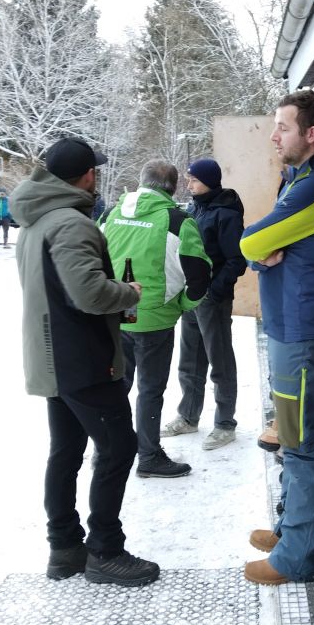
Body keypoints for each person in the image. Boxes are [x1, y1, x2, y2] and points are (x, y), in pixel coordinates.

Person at [9, 136, 160, 587]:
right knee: (118, 448)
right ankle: (105, 551)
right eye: (95, 171)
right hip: (84, 359)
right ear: (88, 175)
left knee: (67, 450)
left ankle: (64, 548)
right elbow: (90, 294)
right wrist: (128, 293)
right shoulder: (71, 224)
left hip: (53, 357)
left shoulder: (35, 220)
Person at [239, 89, 314, 586]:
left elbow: (252, 240)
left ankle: (298, 556)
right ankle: (290, 531)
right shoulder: (297, 179)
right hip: (291, 331)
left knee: (302, 443)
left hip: (301, 338)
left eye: (283, 127)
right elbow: (263, 249)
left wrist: (258, 254)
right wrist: (262, 257)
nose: (273, 136)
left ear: (311, 133)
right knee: (294, 433)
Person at [101, 160, 211, 479]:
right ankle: (148, 456)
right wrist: (182, 305)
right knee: (149, 390)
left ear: (141, 182)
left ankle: (109, 450)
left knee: (116, 386)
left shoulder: (110, 214)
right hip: (154, 321)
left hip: (114, 316)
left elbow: (92, 259)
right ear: (173, 188)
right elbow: (199, 274)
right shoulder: (178, 221)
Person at [163, 158, 247, 451]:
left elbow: (237, 260)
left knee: (220, 362)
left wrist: (214, 291)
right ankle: (188, 416)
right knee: (190, 361)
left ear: (209, 181)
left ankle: (225, 424)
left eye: (194, 180)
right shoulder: (194, 208)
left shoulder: (226, 213)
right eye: (188, 179)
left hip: (212, 300)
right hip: (191, 295)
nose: (189, 184)